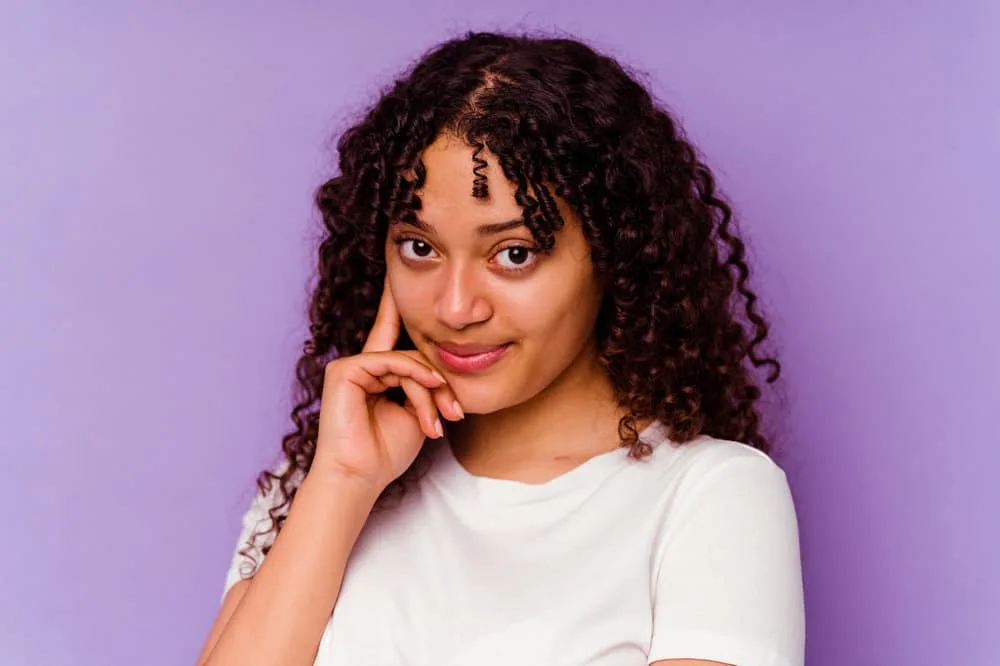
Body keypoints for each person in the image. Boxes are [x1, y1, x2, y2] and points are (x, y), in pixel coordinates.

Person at [197, 30, 805, 666]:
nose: (456, 307)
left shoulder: (710, 498)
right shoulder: (316, 484)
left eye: (514, 253)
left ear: (613, 255)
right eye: (419, 247)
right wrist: (344, 481)